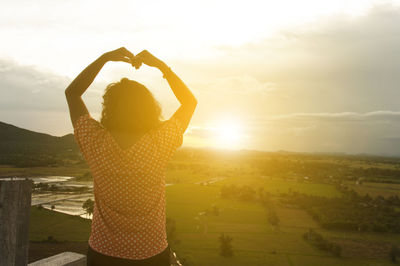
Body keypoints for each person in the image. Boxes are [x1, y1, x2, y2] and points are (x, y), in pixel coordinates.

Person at [65, 47, 197, 266]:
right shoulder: (159, 142)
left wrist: (104, 58)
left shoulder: (95, 141)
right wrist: (162, 66)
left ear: (109, 108)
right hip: (151, 253)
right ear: (149, 109)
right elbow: (189, 102)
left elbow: (72, 93)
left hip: (103, 254)